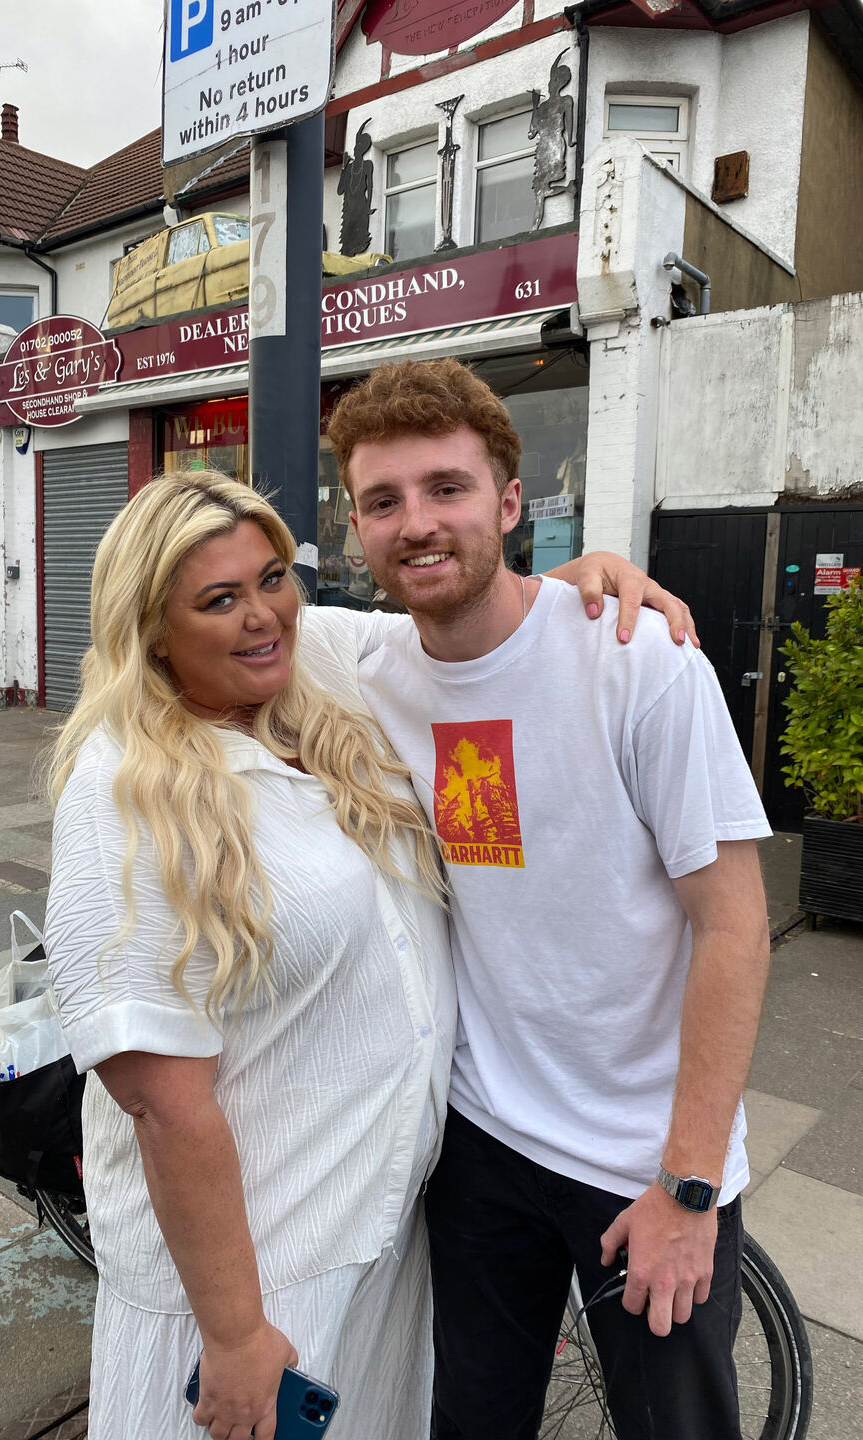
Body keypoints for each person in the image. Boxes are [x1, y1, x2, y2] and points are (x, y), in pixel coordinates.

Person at [42, 468, 686, 1440]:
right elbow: (163, 1105)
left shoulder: (314, 673)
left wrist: (576, 594)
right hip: (256, 1282)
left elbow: (473, 624)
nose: (264, 616)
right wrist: (234, 1332)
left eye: (271, 578)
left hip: (382, 1240)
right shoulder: (125, 790)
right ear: (152, 631)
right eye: (219, 599)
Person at [306, 357, 773, 1440]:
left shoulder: (639, 663)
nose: (416, 524)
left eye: (447, 489)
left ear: (511, 504)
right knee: (472, 1420)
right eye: (383, 501)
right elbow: (184, 626)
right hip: (482, 1140)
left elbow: (735, 928)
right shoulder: (360, 663)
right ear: (355, 527)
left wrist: (690, 1187)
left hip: (642, 1156)